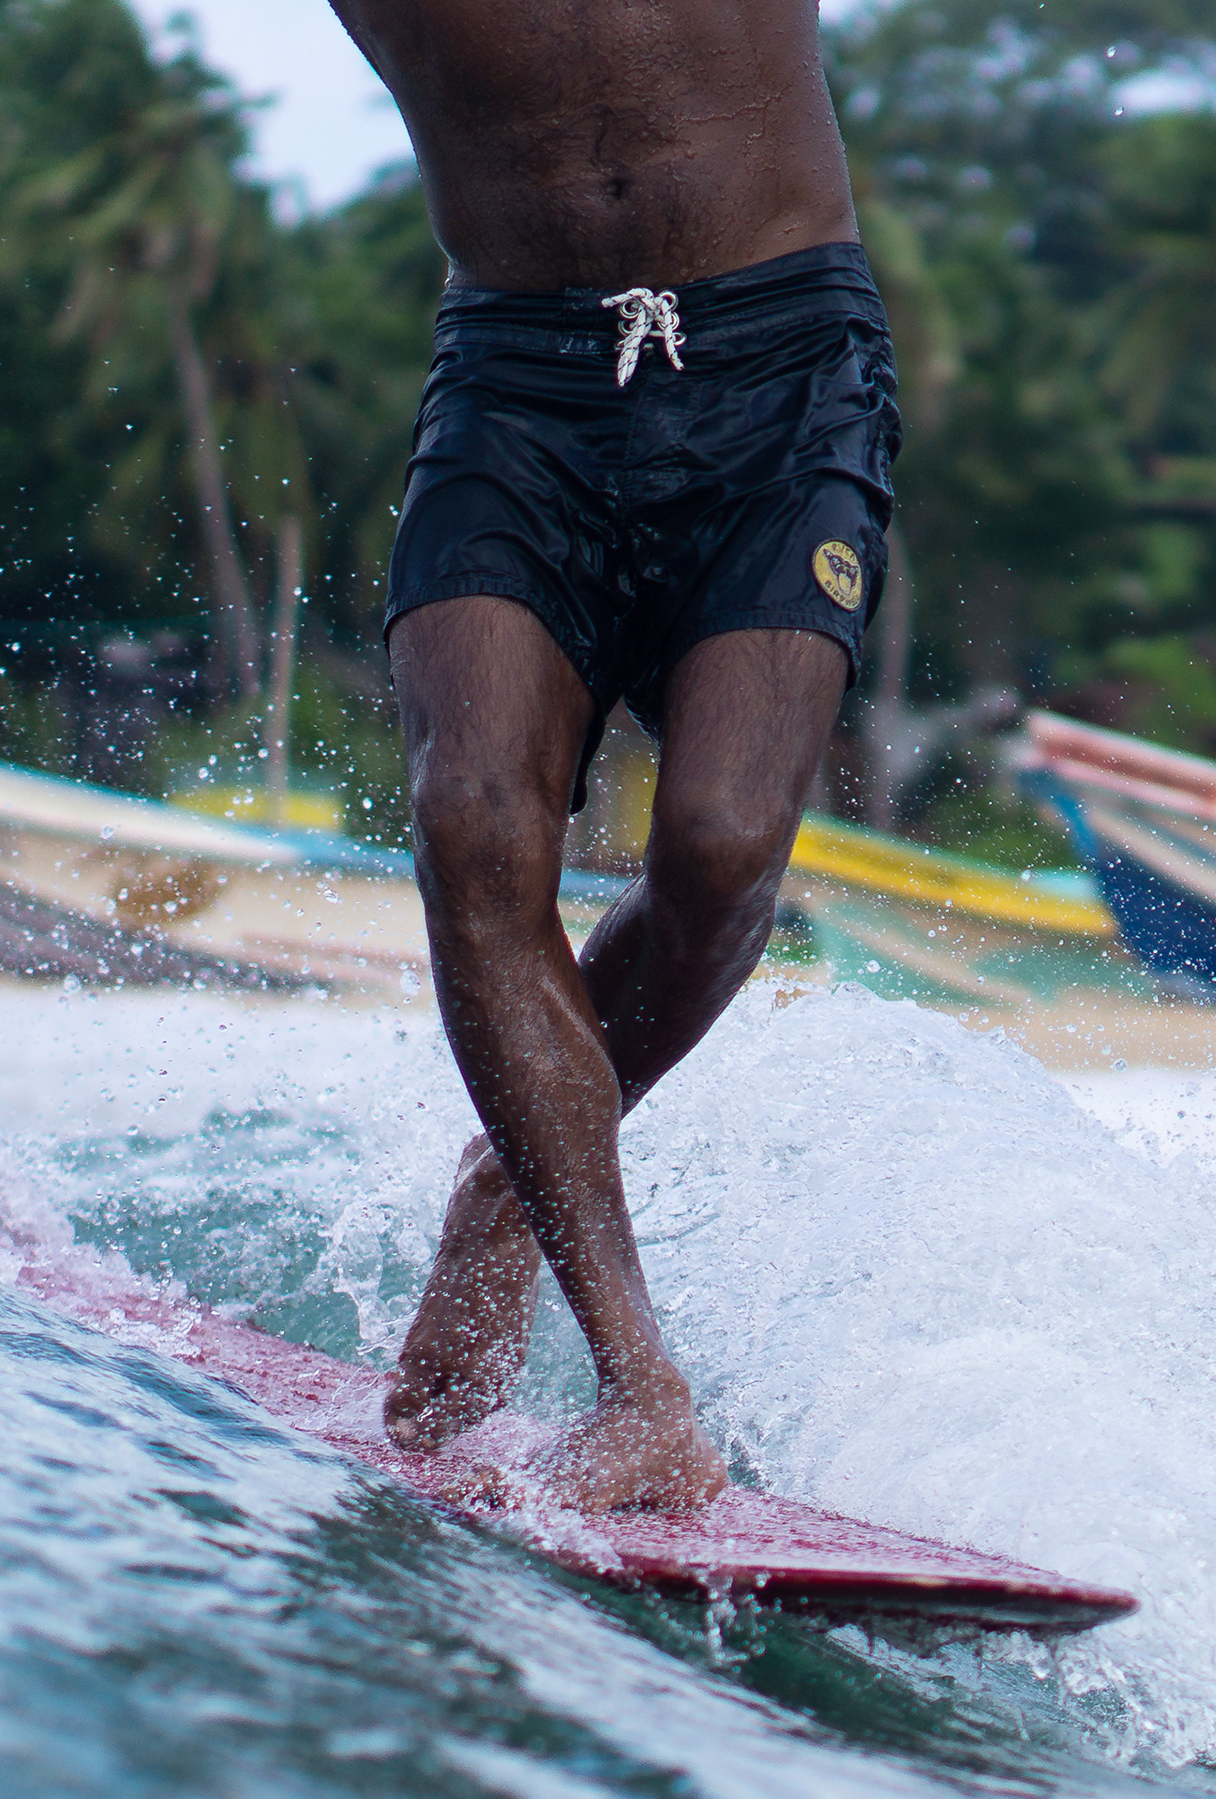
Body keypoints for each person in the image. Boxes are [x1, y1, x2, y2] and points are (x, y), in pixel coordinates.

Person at [325, 0, 899, 1510]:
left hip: (785, 361)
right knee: (470, 817)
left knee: (721, 844)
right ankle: (643, 1386)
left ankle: (506, 1188)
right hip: (519, 389)